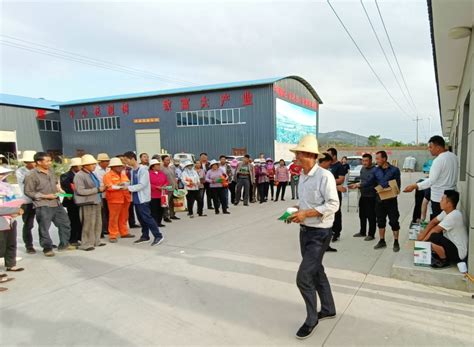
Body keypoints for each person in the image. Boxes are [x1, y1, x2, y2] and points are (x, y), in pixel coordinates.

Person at [286, 135, 339, 340]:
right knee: (316, 271)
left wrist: (306, 214)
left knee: (303, 277)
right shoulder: (303, 176)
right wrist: (296, 212)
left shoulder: (325, 176)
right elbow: (305, 203)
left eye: (298, 153)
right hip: (305, 232)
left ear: (309, 155)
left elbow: (333, 205)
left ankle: (311, 319)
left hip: (320, 234)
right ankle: (328, 308)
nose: (296, 157)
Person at [24, 152, 74, 257]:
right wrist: (46, 196)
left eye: (50, 160)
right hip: (43, 204)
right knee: (44, 227)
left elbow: (56, 183)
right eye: (47, 161)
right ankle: (47, 248)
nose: (50, 163)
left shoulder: (51, 171)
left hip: (56, 202)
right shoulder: (31, 175)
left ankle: (64, 244)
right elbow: (28, 192)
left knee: (65, 223)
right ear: (38, 162)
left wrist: (61, 191)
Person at [403, 135, 458, 220]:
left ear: (438, 147)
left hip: (439, 199)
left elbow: (431, 181)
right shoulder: (453, 157)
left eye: (431, 147)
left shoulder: (439, 160)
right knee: (447, 222)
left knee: (438, 223)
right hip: (451, 198)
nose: (429, 149)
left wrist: (414, 186)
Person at [417, 190, 468, 268]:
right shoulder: (446, 212)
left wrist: (422, 243)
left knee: (434, 236)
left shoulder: (453, 216)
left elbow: (435, 230)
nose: (440, 201)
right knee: (431, 235)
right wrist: (422, 235)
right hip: (452, 244)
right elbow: (433, 222)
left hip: (459, 254)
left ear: (449, 204)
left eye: (442, 200)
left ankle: (444, 261)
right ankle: (440, 253)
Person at [123, 151, 164, 246]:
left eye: (126, 160)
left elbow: (142, 184)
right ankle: (145, 236)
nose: (126, 163)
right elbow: (134, 183)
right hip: (136, 198)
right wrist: (125, 185)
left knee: (147, 218)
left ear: (132, 159)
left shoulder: (143, 170)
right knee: (141, 219)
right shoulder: (133, 170)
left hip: (143, 199)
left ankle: (158, 235)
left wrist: (128, 188)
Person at [74, 155, 106, 251]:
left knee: (97, 222)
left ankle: (96, 240)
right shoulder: (79, 175)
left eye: (94, 164)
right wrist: (97, 189)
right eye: (92, 164)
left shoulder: (91, 174)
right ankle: (86, 243)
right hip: (87, 202)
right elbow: (80, 191)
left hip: (96, 200)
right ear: (85, 165)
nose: (94, 166)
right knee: (88, 223)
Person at [371, 151, 401, 252]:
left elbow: (398, 186)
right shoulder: (375, 170)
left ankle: (396, 241)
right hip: (379, 200)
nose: (376, 161)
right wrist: (359, 185)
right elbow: (371, 182)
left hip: (391, 201)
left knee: (394, 221)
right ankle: (382, 240)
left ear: (384, 159)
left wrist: (389, 190)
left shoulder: (394, 170)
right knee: (380, 221)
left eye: (378, 158)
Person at [103, 157, 135, 243]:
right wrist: (119, 186)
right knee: (113, 217)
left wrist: (121, 185)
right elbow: (109, 187)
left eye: (121, 166)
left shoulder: (123, 174)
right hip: (114, 199)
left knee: (124, 217)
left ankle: (124, 232)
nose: (120, 167)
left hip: (125, 198)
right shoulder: (107, 175)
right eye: (118, 166)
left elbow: (127, 182)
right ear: (113, 167)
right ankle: (113, 235)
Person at [349, 153, 377, 241]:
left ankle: (371, 234)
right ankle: (362, 231)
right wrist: (356, 184)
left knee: (371, 216)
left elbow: (369, 181)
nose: (364, 163)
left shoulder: (375, 170)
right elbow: (362, 180)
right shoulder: (362, 169)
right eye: (363, 161)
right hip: (363, 195)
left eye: (366, 161)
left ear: (371, 161)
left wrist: (358, 185)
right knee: (362, 215)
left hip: (372, 196)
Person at [15, 150, 37, 254]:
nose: (34, 164)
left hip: (40, 200)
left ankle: (45, 242)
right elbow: (27, 182)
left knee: (44, 223)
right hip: (27, 201)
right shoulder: (20, 171)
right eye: (32, 162)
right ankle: (29, 245)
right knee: (28, 224)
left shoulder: (38, 170)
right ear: (27, 162)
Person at [0, 202, 24, 292]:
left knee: (11, 243)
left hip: (9, 222)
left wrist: (15, 212)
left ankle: (10, 264)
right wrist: (16, 210)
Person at [60, 157, 83, 246]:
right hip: (72, 201)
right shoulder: (65, 176)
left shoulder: (81, 174)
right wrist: (72, 195)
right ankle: (73, 239)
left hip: (81, 200)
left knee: (80, 220)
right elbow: (66, 190)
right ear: (74, 166)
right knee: (73, 220)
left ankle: (80, 236)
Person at [326, 148, 347, 242]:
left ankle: (337, 232)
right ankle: (329, 231)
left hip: (335, 192)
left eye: (329, 155)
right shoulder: (327, 164)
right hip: (326, 192)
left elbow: (341, 179)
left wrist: (328, 182)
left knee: (336, 212)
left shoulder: (339, 166)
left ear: (334, 156)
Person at [148, 159, 169, 227]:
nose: (159, 166)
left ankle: (159, 222)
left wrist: (165, 185)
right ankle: (154, 222)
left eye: (159, 165)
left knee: (161, 209)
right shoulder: (149, 174)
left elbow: (166, 181)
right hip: (154, 195)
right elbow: (148, 184)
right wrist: (157, 187)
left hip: (162, 194)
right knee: (154, 209)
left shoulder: (161, 173)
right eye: (157, 165)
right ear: (152, 166)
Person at [95, 153, 110, 237]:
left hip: (109, 194)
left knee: (108, 212)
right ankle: (102, 230)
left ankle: (107, 228)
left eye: (108, 161)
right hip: (101, 194)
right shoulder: (96, 171)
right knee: (102, 213)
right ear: (100, 162)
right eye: (105, 161)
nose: (107, 163)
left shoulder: (108, 169)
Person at [161, 155, 179, 222]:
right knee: (166, 202)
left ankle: (172, 214)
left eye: (169, 160)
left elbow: (174, 178)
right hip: (167, 187)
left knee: (172, 202)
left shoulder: (171, 168)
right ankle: (165, 216)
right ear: (163, 161)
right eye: (166, 160)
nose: (168, 161)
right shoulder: (161, 169)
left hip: (173, 187)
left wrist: (176, 186)